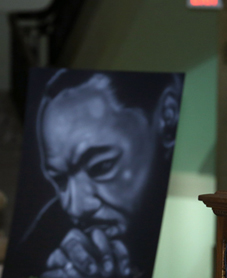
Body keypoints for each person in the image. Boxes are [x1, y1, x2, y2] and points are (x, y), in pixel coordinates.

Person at [3, 69, 183, 278]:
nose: (75, 207)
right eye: (60, 180)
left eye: (101, 166)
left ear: (167, 119)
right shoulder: (41, 244)